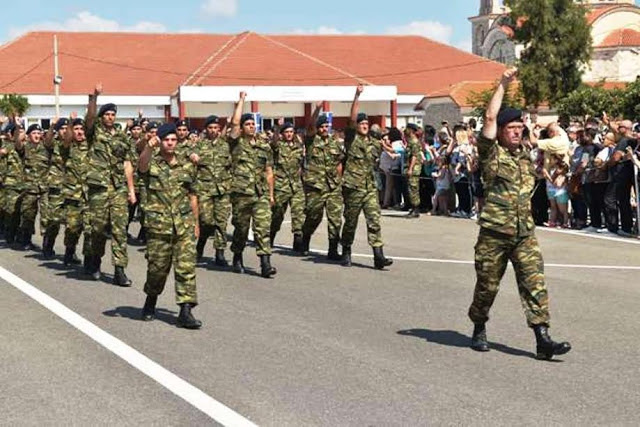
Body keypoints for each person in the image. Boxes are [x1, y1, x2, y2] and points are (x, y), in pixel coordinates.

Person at [468, 67, 571, 361]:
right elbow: (489, 117)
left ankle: (542, 338)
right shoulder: (491, 153)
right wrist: (503, 83)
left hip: (524, 234)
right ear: (500, 131)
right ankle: (478, 325)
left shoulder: (525, 156)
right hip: (494, 234)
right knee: (487, 286)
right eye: (510, 127)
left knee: (534, 283)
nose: (516, 131)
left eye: (519, 127)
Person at [138, 123, 201, 329]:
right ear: (161, 141)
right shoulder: (153, 163)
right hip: (159, 227)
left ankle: (185, 311)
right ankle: (151, 299)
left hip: (183, 225)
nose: (171, 143)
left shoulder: (187, 165)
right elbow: (142, 166)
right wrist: (149, 146)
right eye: (167, 140)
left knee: (186, 268)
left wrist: (195, 223)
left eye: (174, 140)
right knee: (157, 269)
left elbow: (193, 195)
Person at [84, 83, 136, 286]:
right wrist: (94, 98)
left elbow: (127, 163)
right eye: (107, 114)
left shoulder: (122, 136)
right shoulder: (94, 131)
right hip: (98, 187)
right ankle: (96, 260)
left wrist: (131, 190)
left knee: (119, 230)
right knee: (97, 229)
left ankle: (119, 270)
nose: (110, 117)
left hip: (118, 188)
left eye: (113, 115)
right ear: (102, 116)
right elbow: (89, 119)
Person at [341, 84, 393, 269]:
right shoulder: (351, 139)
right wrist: (357, 95)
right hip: (353, 188)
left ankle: (378, 255)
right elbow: (352, 118)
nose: (363, 126)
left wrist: (392, 152)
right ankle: (346, 250)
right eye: (361, 124)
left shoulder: (374, 142)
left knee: (374, 220)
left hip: (370, 188)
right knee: (351, 222)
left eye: (366, 124)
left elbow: (387, 147)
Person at [228, 92, 277, 278]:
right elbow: (234, 123)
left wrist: (271, 194)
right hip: (241, 194)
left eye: (252, 124)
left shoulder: (264, 147)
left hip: (260, 194)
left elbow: (269, 172)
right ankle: (237, 255)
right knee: (241, 228)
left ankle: (265, 263)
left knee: (262, 227)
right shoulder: (236, 143)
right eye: (247, 124)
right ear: (242, 128)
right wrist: (241, 101)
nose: (251, 127)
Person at [300, 102, 344, 260]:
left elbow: (339, 162)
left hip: (333, 187)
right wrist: (317, 109)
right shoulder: (312, 141)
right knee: (314, 216)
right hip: (316, 187)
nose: (325, 129)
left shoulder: (335, 142)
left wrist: (339, 179)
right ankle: (305, 238)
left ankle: (333, 249)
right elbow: (310, 125)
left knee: (335, 218)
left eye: (327, 126)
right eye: (322, 127)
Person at [190, 115, 232, 266]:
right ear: (206, 129)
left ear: (219, 129)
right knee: (206, 221)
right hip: (205, 189)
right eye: (210, 128)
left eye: (216, 128)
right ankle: (200, 244)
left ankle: (219, 253)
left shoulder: (226, 145)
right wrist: (193, 156)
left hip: (223, 189)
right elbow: (191, 154)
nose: (213, 130)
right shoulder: (199, 144)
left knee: (221, 222)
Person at [270, 119, 305, 251]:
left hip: (296, 186)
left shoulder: (298, 147)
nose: (289, 134)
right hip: (281, 186)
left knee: (298, 213)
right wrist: (277, 129)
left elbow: (300, 165)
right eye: (287, 132)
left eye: (291, 132)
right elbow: (273, 142)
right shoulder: (278, 146)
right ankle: (271, 235)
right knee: (277, 214)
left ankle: (298, 240)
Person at [61, 115, 91, 267]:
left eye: (82, 129)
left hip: (90, 196)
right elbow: (66, 139)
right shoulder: (68, 147)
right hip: (73, 195)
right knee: (72, 229)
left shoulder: (92, 147)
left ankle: (89, 261)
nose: (79, 132)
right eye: (77, 129)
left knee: (90, 229)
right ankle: (69, 251)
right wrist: (71, 123)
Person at [41, 118, 69, 259]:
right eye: (62, 128)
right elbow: (47, 142)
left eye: (67, 128)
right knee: (54, 221)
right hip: (57, 187)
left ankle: (70, 252)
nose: (65, 131)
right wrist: (52, 127)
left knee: (73, 223)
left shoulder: (76, 145)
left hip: (73, 188)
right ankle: (48, 246)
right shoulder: (54, 145)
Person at [404, 123, 422, 218]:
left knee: (413, 188)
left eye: (407, 129)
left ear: (411, 130)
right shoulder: (410, 141)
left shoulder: (414, 141)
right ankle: (413, 208)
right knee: (411, 189)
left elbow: (414, 156)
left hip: (414, 168)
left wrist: (410, 168)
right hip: (411, 167)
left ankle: (416, 209)